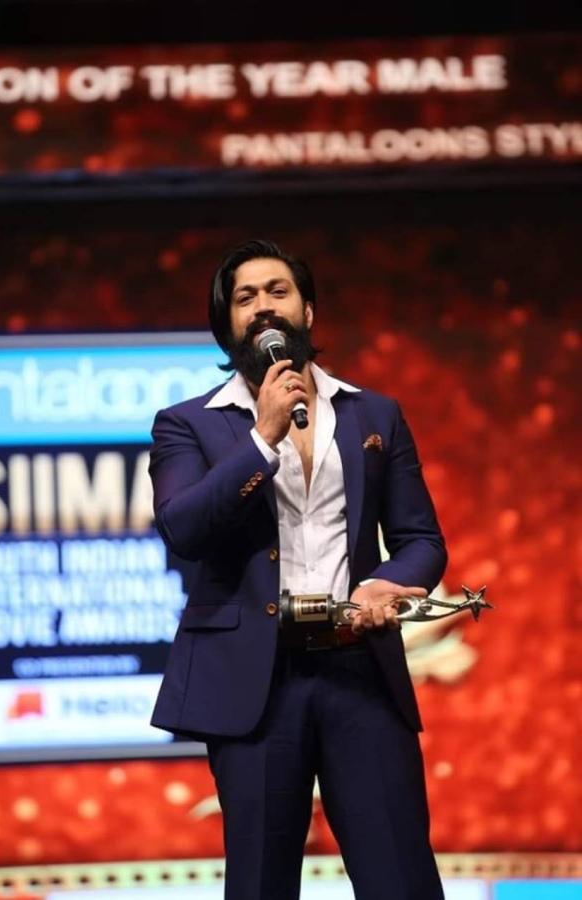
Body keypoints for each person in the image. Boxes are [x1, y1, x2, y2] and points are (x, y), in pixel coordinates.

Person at [149, 239, 447, 900]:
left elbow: (421, 540)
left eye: (277, 291)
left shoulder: (375, 414)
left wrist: (386, 583)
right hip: (255, 683)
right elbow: (183, 529)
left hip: (360, 672)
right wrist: (263, 436)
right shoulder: (188, 424)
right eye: (245, 297)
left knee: (401, 879)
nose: (263, 306)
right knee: (261, 884)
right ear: (227, 324)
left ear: (307, 311)